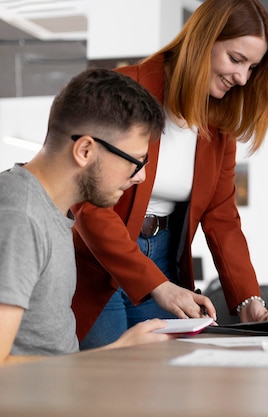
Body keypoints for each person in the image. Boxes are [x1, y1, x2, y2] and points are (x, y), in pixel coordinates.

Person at [72, 0, 268, 349]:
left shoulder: (218, 126)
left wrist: (250, 301)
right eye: (236, 59)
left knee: (163, 379)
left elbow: (222, 218)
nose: (243, 78)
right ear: (203, 41)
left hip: (164, 257)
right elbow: (88, 202)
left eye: (252, 67)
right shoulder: (123, 89)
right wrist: (157, 286)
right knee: (107, 379)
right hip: (99, 261)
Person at [0, 68, 172, 365]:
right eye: (135, 162)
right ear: (85, 150)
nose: (141, 177)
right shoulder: (20, 217)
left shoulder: (49, 209)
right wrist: (113, 354)